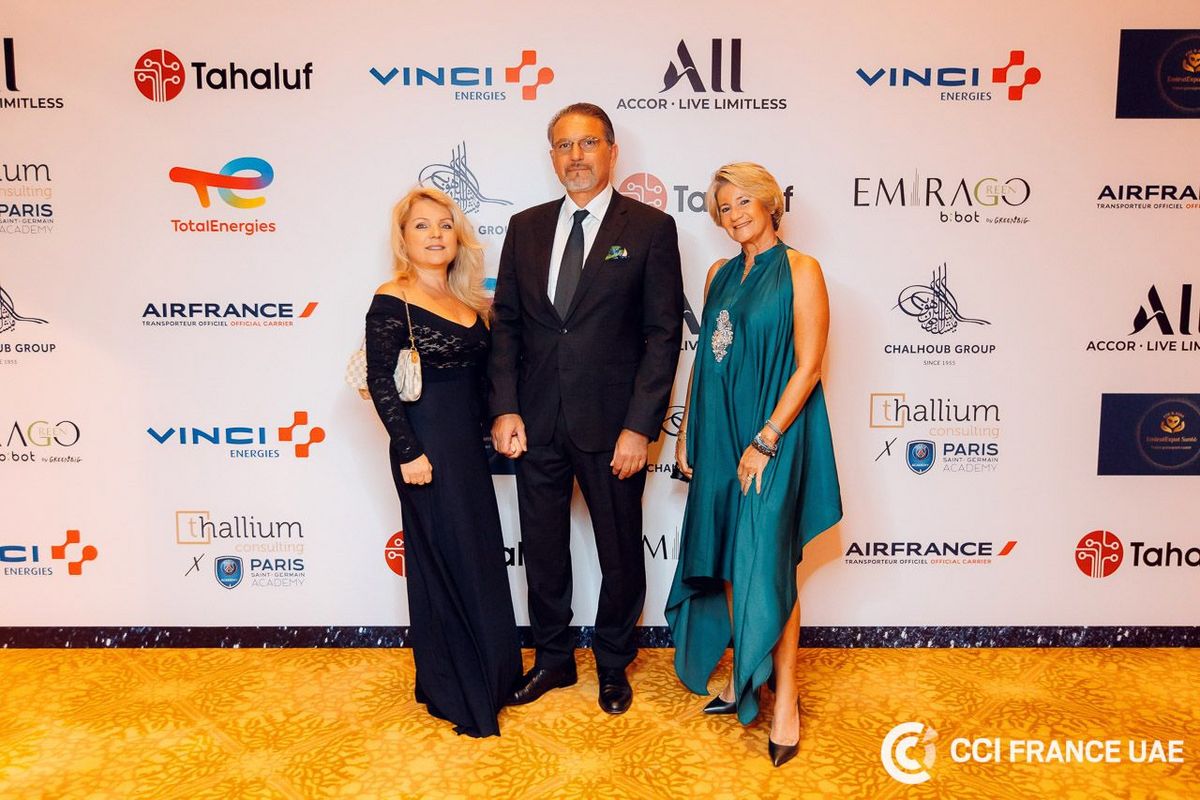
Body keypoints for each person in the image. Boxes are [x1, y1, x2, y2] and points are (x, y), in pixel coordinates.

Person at [488, 102, 683, 715]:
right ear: (552, 156)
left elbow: (662, 336)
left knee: (619, 550)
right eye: (564, 145)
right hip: (536, 421)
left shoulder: (650, 228)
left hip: (613, 425)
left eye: (588, 143)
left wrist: (639, 426)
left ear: (612, 151)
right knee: (543, 548)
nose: (576, 156)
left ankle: (614, 662)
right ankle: (552, 658)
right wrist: (505, 407)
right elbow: (507, 325)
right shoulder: (525, 227)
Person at [665, 163, 842, 767]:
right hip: (718, 435)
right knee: (732, 557)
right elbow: (705, 361)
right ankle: (747, 672)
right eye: (724, 206)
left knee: (767, 563)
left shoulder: (801, 270)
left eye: (745, 201)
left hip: (774, 435)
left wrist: (765, 439)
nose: (735, 214)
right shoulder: (717, 273)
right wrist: (688, 433)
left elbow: (809, 366)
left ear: (769, 203)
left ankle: (785, 697)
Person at [365, 186, 521, 738]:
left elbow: (484, 382)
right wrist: (409, 451)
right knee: (443, 564)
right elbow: (380, 380)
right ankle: (457, 689)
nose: (435, 235)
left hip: (467, 452)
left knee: (476, 558)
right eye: (421, 226)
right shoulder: (393, 297)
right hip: (425, 448)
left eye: (444, 225)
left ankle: (493, 676)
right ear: (403, 239)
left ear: (458, 237)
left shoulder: (470, 303)